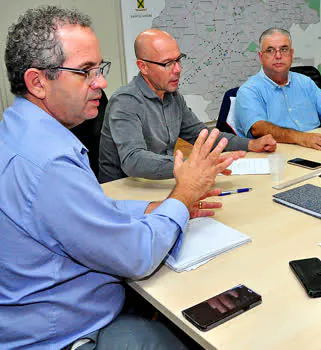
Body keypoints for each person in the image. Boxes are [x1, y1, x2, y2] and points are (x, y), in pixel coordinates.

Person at [0, 6, 242, 349]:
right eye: (85, 72)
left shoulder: (20, 130)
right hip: (68, 334)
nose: (101, 82)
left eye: (99, 69)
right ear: (37, 82)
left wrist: (151, 208)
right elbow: (136, 257)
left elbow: (83, 209)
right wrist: (183, 196)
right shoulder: (49, 162)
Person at [98, 29, 277, 183]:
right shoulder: (125, 101)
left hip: (159, 183)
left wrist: (252, 144)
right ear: (143, 67)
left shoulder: (172, 96)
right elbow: (133, 160)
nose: (178, 69)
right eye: (168, 63)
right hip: (124, 191)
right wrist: (191, 166)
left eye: (178, 60)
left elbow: (202, 135)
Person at [234, 28, 321, 150]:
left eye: (284, 49)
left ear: (291, 54)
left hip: (317, 147)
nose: (278, 55)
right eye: (270, 50)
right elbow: (259, 128)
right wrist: (300, 138)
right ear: (261, 57)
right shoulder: (249, 90)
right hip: (280, 154)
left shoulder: (305, 82)